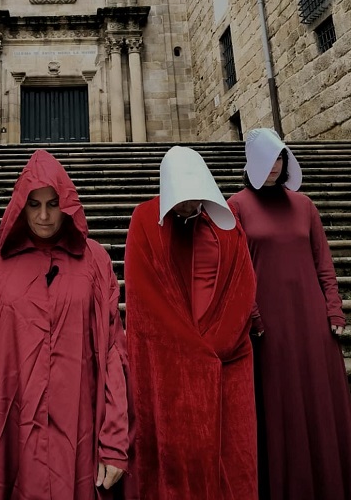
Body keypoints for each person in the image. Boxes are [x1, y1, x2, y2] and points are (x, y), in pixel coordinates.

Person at [0, 149, 134, 499]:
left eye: (53, 204)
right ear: (21, 206)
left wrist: (113, 440)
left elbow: (112, 351)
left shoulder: (94, 260)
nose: (46, 216)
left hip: (75, 422)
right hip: (11, 423)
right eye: (35, 205)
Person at [125, 145, 257, 500]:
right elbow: (144, 296)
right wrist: (189, 352)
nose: (186, 205)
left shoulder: (226, 222)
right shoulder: (143, 218)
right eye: (179, 198)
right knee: (178, 460)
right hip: (171, 361)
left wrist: (215, 346)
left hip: (225, 357)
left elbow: (242, 283)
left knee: (232, 457)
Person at [228, 128, 351, 500]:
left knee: (319, 402)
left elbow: (324, 265)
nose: (274, 166)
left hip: (312, 322)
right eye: (268, 159)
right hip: (270, 328)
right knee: (281, 408)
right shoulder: (236, 206)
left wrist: (334, 311)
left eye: (280, 158)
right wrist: (255, 317)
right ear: (253, 162)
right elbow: (238, 269)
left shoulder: (306, 206)